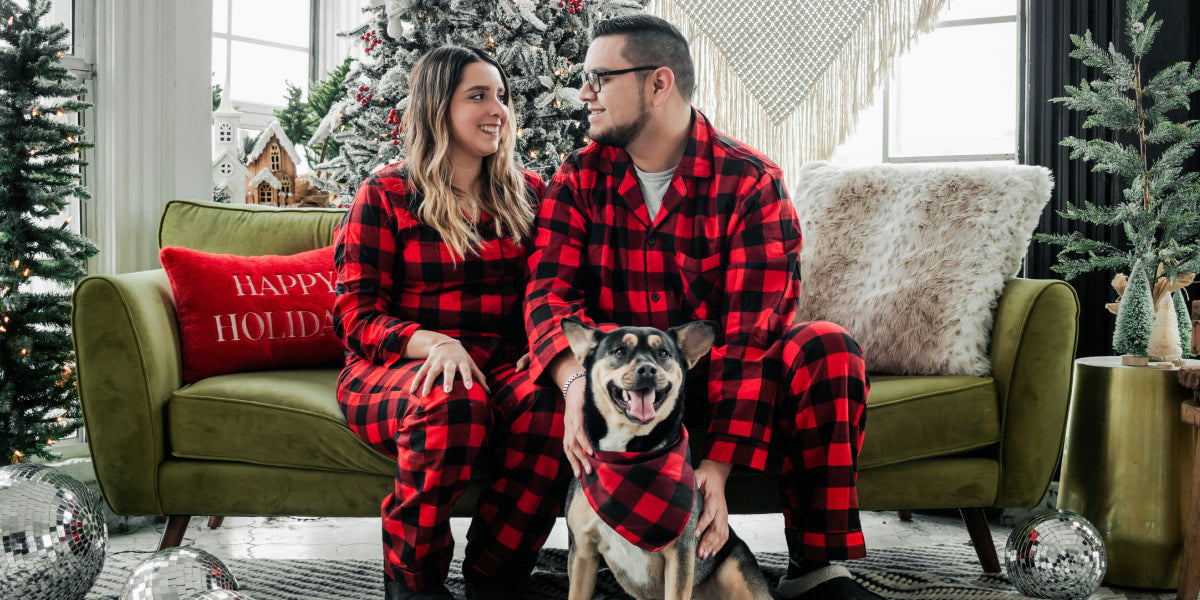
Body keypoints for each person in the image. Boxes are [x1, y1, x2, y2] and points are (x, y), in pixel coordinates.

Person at [524, 15, 879, 600]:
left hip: (715, 385)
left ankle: (820, 568)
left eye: (599, 77)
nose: (583, 93)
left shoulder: (751, 182)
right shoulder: (578, 179)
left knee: (827, 348)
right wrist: (575, 384)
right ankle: (589, 557)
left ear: (659, 83)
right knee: (535, 377)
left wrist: (714, 468)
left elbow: (751, 336)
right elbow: (548, 296)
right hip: (609, 384)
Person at [334, 45, 568, 600]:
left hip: (500, 366)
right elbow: (354, 315)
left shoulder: (528, 194)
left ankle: (496, 576)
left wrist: (542, 349)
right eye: (478, 96)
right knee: (452, 400)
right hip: (395, 366)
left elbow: (549, 293)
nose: (499, 110)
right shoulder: (386, 194)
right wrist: (431, 342)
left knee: (554, 410)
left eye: (503, 97)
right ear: (439, 108)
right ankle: (413, 581)